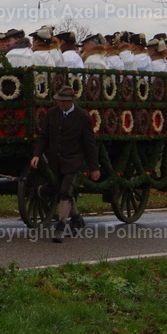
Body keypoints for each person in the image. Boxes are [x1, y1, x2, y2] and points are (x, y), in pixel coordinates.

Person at [30, 85, 101, 243]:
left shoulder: (83, 116)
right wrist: (37, 154)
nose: (61, 104)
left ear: (72, 101)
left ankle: (61, 226)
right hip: (56, 160)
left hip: (74, 160)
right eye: (59, 101)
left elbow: (90, 144)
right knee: (64, 191)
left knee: (64, 191)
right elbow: (44, 137)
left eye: (64, 102)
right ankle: (77, 218)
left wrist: (94, 168)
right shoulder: (52, 114)